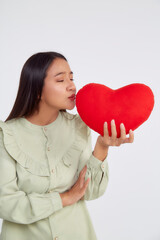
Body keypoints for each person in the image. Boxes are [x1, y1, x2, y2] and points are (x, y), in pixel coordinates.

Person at [0, 51, 134, 240]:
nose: (72, 86)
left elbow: (90, 192)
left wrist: (102, 147)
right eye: (61, 80)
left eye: (72, 78)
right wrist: (63, 199)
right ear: (37, 89)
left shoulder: (80, 127)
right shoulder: (6, 135)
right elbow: (5, 203)